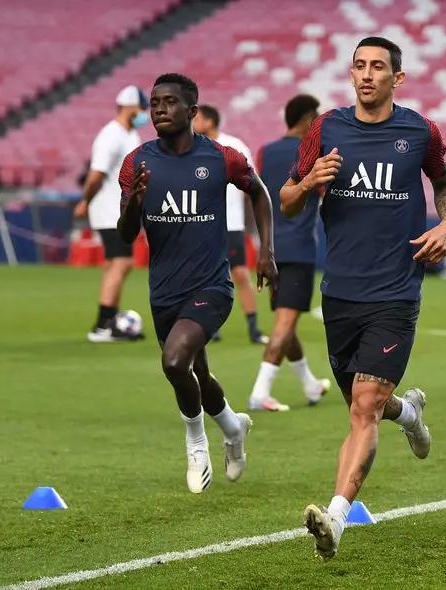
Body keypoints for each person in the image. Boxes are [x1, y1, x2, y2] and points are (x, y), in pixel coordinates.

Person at [279, 37, 446, 561]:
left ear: (397, 79)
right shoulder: (325, 129)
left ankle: (334, 518)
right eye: (360, 65)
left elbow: (444, 185)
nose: (367, 74)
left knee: (363, 408)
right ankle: (411, 415)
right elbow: (287, 202)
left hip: (397, 292)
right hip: (340, 295)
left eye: (379, 67)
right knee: (366, 405)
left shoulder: (420, 130)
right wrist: (310, 180)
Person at [116, 73, 278, 493]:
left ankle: (196, 442)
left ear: (192, 111)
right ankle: (233, 427)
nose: (159, 109)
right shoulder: (137, 163)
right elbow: (125, 234)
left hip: (211, 287)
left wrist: (266, 252)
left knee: (174, 363)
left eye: (169, 102)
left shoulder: (221, 158)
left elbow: (258, 192)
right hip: (164, 291)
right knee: (197, 376)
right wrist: (133, 201)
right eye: (154, 102)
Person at [248, 94, 332, 412]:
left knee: (287, 319)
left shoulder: (265, 152)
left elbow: (255, 195)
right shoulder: (313, 153)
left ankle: (310, 385)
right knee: (284, 324)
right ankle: (260, 393)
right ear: (308, 118)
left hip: (269, 248)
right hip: (299, 249)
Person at [74, 85, 149, 342]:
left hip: (121, 209)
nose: (145, 114)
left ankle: (110, 320)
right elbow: (97, 173)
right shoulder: (111, 135)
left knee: (113, 264)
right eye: (141, 108)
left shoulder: (130, 135)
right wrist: (86, 200)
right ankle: (103, 324)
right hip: (108, 210)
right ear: (128, 107)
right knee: (122, 262)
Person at [191, 104, 268, 345]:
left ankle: (254, 327)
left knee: (240, 274)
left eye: (198, 118)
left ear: (210, 122)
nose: (194, 123)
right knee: (205, 278)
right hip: (203, 225)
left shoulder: (233, 146)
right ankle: (211, 327)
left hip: (230, 224)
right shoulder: (194, 148)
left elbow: (251, 184)